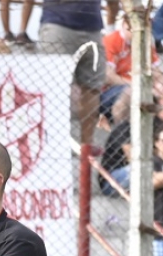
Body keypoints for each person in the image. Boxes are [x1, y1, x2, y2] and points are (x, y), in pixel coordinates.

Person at [38, 0, 118, 152]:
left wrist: (110, 30)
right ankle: (54, 143)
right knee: (55, 89)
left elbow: (113, 3)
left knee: (92, 88)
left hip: (91, 28)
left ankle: (86, 145)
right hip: (59, 25)